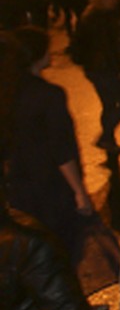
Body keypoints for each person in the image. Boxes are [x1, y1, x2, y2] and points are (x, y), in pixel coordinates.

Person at [2, 29, 96, 269]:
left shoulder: (8, 91)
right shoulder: (47, 95)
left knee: (33, 248)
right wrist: (79, 191)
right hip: (49, 185)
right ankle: (67, 300)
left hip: (16, 184)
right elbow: (61, 148)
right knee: (63, 245)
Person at [69, 0, 120, 158]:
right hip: (104, 67)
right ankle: (106, 137)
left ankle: (108, 139)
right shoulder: (102, 20)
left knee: (109, 104)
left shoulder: (89, 16)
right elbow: (109, 47)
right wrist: (119, 67)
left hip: (94, 67)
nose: (116, 1)